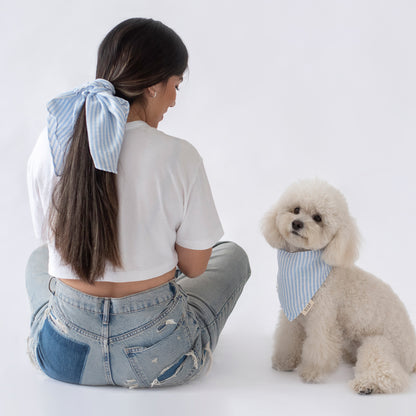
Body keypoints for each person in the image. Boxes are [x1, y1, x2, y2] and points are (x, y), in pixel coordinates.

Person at [26, 18, 251, 388]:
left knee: (37, 261)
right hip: (159, 357)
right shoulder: (180, 156)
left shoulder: (50, 142)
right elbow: (194, 267)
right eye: (175, 86)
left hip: (65, 356)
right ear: (152, 85)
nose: (174, 100)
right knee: (233, 256)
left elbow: (49, 244)